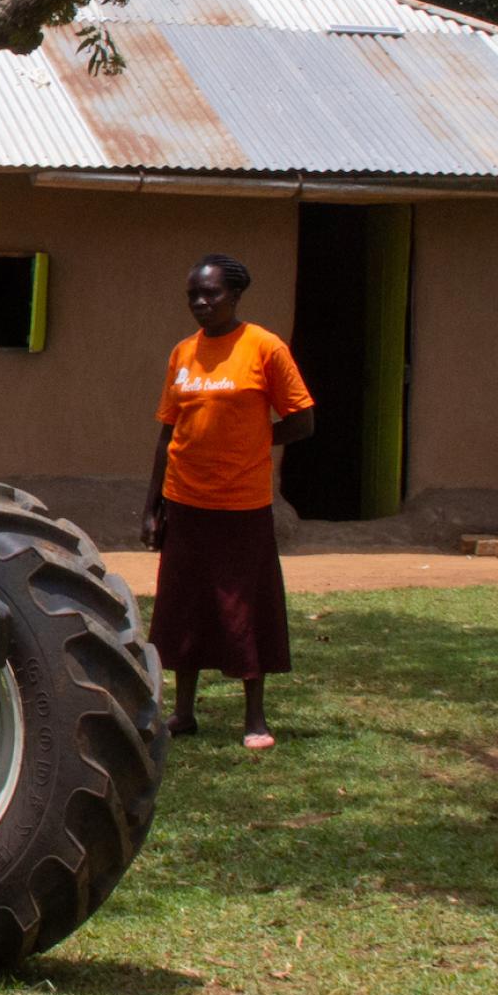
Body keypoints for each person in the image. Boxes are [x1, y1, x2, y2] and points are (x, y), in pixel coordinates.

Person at [141, 254, 314, 749]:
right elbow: (167, 434)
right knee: (184, 608)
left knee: (244, 608)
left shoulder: (264, 348)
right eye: (193, 294)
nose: (200, 302)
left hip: (242, 506)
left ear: (235, 296)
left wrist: (253, 439)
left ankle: (254, 718)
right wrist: (152, 507)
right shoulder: (183, 354)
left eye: (211, 294)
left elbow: (302, 420)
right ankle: (183, 713)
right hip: (186, 502)